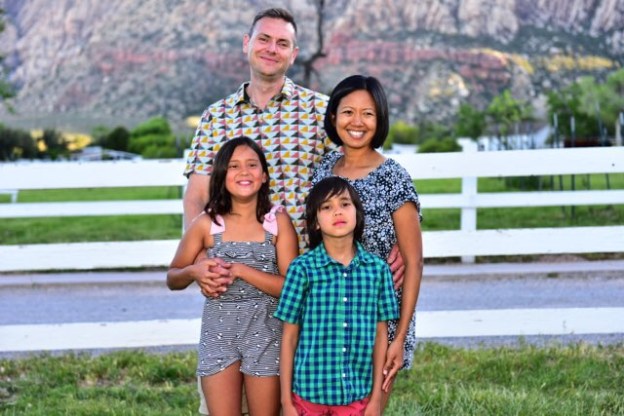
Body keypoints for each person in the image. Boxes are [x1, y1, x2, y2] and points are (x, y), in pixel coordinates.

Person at [311, 74, 424, 408]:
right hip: (328, 314)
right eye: (348, 112)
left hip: (378, 319)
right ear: (333, 117)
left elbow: (414, 261)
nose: (357, 122)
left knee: (367, 408)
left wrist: (399, 337)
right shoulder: (325, 168)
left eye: (368, 113)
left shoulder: (394, 177)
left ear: (380, 119)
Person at [168, 137, 299, 416]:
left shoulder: (277, 222)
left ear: (264, 176)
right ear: (221, 175)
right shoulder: (207, 223)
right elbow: (173, 276)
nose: (244, 172)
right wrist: (194, 271)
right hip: (219, 331)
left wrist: (240, 270)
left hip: (266, 330)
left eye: (252, 165)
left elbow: (292, 288)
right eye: (234, 166)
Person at [275, 177, 399, 416]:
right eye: (327, 207)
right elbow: (289, 338)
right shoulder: (301, 270)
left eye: (344, 204)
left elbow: (381, 336)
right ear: (316, 222)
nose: (337, 212)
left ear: (357, 213)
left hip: (357, 397)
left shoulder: (378, 270)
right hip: (307, 397)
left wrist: (375, 400)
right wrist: (286, 402)